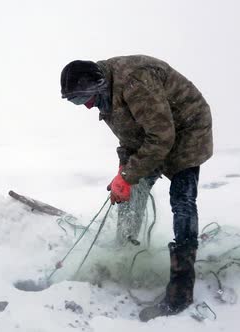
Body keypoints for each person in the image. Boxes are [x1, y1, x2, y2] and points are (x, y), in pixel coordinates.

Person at [60, 55, 213, 321]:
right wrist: (124, 172)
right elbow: (130, 137)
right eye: (75, 102)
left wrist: (129, 175)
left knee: (182, 200)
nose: (83, 106)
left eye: (81, 98)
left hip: (188, 127)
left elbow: (161, 136)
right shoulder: (105, 95)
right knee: (130, 195)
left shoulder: (134, 82)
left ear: (96, 85)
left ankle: (181, 290)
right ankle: (124, 255)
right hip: (158, 135)